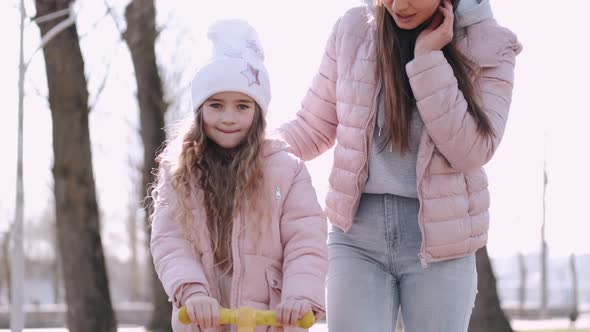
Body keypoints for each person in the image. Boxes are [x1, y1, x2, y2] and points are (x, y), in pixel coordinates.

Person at [278, 0, 522, 331]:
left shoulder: (490, 44)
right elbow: (311, 126)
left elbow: (471, 151)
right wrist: (246, 151)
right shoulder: (353, 30)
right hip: (356, 237)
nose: (399, 5)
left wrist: (428, 59)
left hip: (440, 244)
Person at [149, 19, 327, 332]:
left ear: (258, 112)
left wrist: (298, 296)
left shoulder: (287, 170)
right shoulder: (180, 173)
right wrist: (191, 291)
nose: (228, 118)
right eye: (216, 105)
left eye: (242, 106)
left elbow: (305, 243)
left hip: (271, 322)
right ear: (200, 109)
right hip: (204, 320)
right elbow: (170, 241)